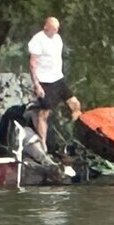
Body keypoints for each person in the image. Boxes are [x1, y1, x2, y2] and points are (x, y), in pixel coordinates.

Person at [27, 16, 81, 149]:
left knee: (74, 103)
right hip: (44, 81)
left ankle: (77, 136)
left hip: (58, 78)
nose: (55, 31)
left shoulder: (57, 38)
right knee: (44, 113)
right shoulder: (38, 40)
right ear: (46, 27)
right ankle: (42, 144)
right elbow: (33, 64)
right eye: (53, 29)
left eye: (57, 29)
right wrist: (36, 84)